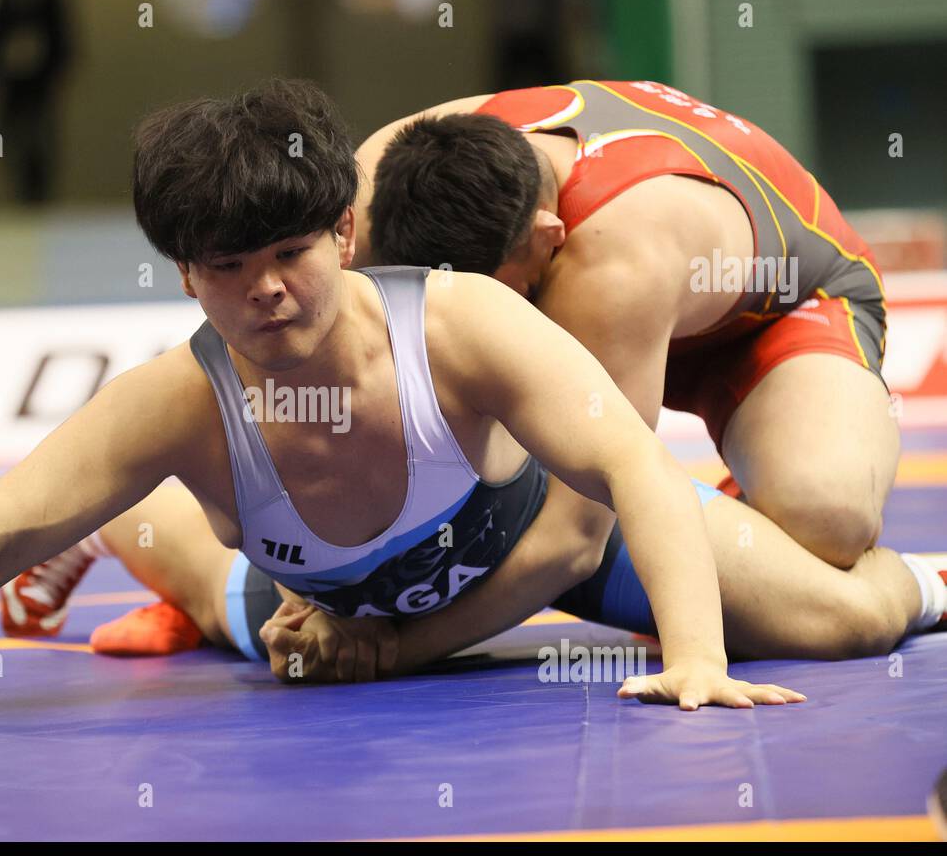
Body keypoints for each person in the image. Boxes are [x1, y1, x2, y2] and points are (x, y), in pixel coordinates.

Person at [0, 79, 942, 745]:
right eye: (227, 271)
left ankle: (933, 583)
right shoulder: (177, 392)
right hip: (322, 609)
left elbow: (624, 464)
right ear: (183, 273)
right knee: (246, 609)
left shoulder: (458, 316)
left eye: (290, 251)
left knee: (833, 613)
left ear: (346, 228)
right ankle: (134, 532)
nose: (268, 293)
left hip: (522, 549)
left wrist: (696, 660)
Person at [353, 80, 897, 576]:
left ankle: (905, 584)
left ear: (549, 232)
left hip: (777, 315)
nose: (492, 310)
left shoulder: (612, 262)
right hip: (647, 301)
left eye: (505, 289)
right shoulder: (373, 184)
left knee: (826, 518)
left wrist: (394, 647)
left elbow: (575, 541)